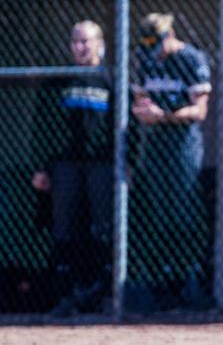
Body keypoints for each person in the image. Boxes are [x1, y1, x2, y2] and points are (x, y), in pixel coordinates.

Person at [31, 21, 114, 316]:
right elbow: (41, 127)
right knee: (64, 228)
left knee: (103, 229)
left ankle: (103, 294)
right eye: (76, 41)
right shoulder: (59, 80)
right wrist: (41, 167)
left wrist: (127, 163)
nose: (80, 47)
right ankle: (65, 295)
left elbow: (126, 127)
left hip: (101, 164)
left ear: (99, 44)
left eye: (86, 41)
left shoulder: (111, 78)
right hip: (64, 165)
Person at [130, 12, 212, 309]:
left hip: (183, 145)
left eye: (157, 43)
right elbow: (139, 101)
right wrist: (145, 110)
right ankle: (162, 282)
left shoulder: (190, 58)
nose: (154, 50)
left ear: (169, 34)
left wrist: (162, 115)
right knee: (157, 212)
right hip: (153, 145)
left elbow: (199, 110)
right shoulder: (145, 57)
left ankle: (188, 279)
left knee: (183, 212)